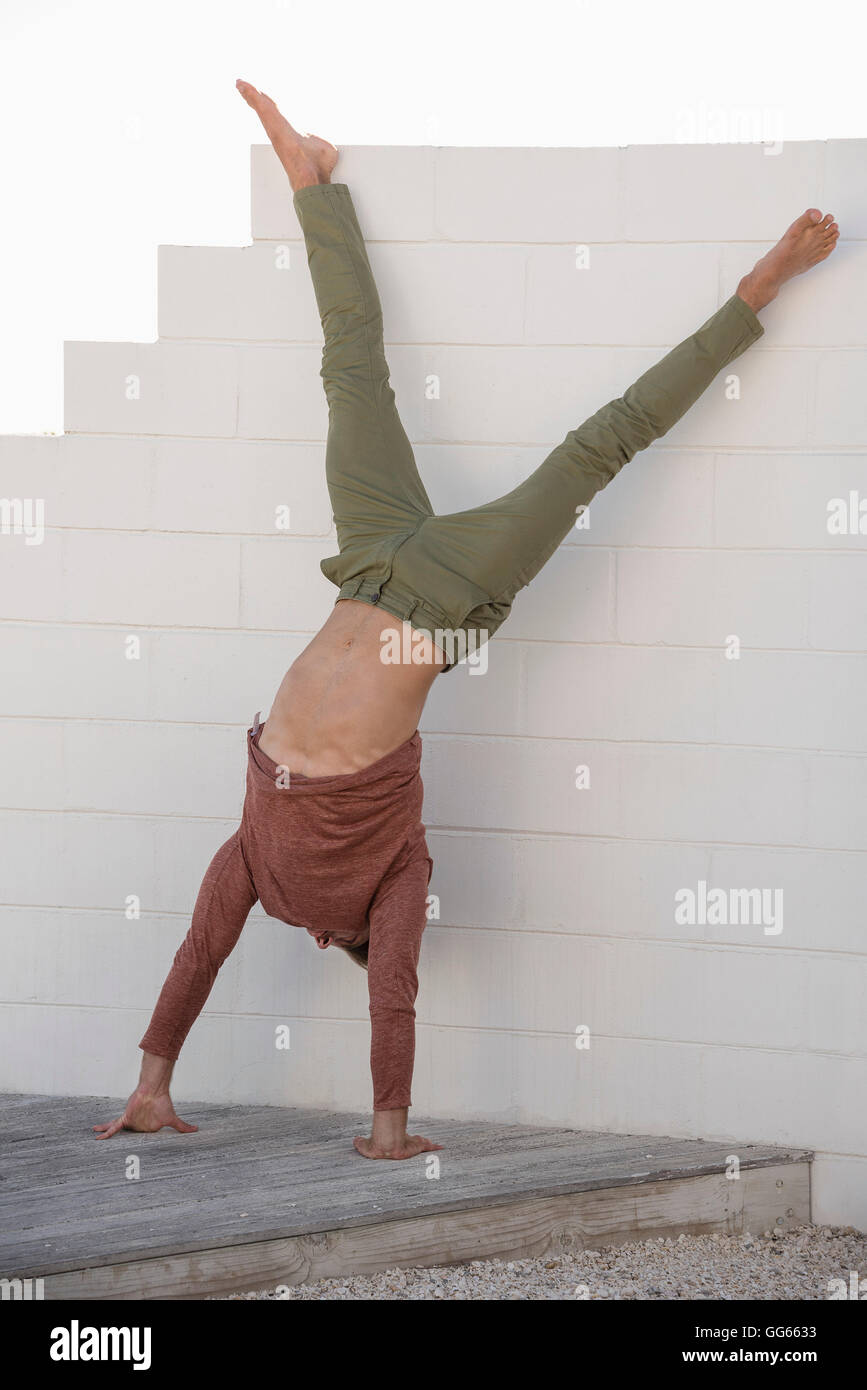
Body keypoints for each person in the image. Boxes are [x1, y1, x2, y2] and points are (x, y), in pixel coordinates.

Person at [94, 81, 839, 1159]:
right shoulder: (398, 875)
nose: (350, 941)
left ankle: (313, 184)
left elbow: (197, 953)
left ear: (328, 931)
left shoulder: (258, 864)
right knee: (601, 446)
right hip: (443, 597)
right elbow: (392, 993)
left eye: (347, 939)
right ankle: (757, 292)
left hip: (366, 559)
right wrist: (390, 1127)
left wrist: (152, 1081)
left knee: (351, 372)